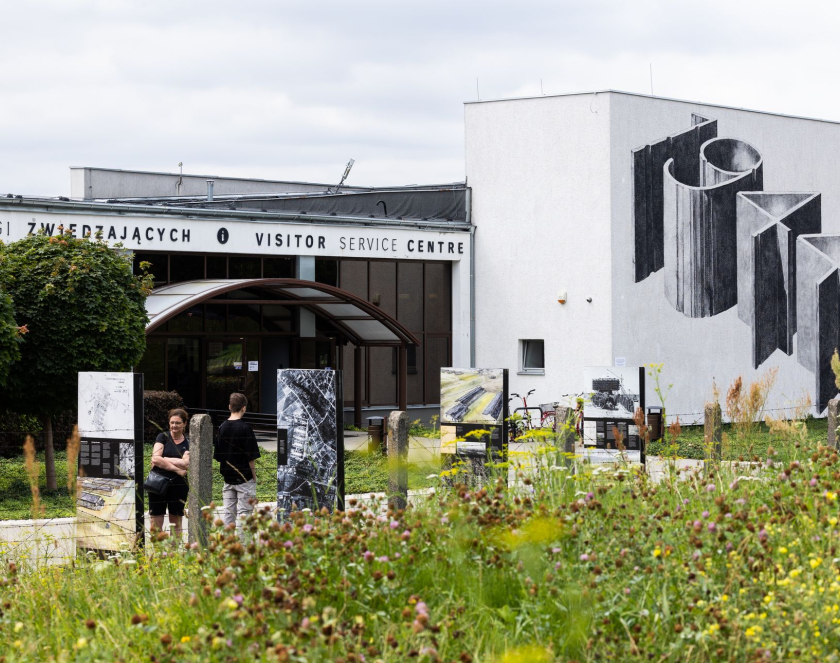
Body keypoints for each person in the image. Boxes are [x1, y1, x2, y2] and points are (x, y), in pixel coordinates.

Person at [215, 393, 261, 536]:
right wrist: (254, 476)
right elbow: (251, 456)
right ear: (244, 408)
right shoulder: (245, 428)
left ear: (229, 407)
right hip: (244, 477)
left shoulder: (222, 427)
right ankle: (243, 546)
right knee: (244, 514)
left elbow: (218, 455)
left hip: (228, 478)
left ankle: (228, 544)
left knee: (229, 513)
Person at [149, 408, 190, 538]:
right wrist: (177, 469)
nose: (174, 426)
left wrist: (164, 460)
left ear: (184, 424)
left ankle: (174, 554)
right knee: (155, 521)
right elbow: (155, 458)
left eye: (178, 423)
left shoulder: (188, 443)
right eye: (172, 422)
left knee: (176, 522)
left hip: (178, 487)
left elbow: (186, 464)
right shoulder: (163, 437)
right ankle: (158, 555)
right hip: (157, 484)